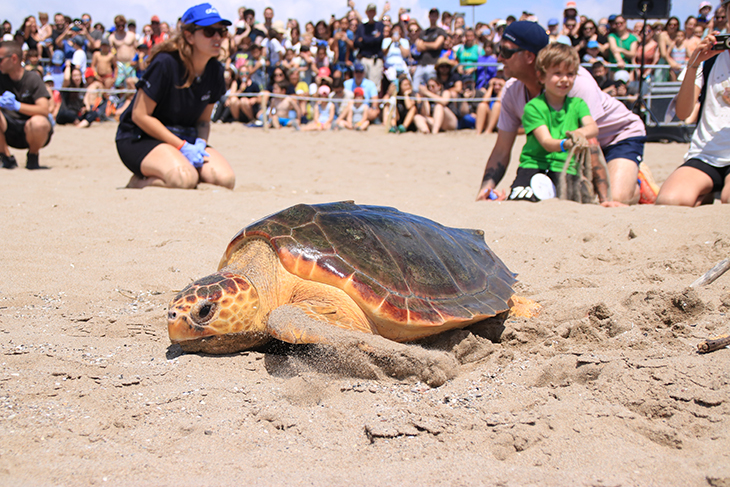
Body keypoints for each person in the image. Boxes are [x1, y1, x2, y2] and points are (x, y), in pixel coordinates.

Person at [475, 21, 649, 206]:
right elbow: (502, 149)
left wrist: (606, 198)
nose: (499, 57)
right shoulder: (512, 90)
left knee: (617, 198)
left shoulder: (573, 82)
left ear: (528, 56)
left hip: (617, 137)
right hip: (569, 147)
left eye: (506, 51)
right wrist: (485, 189)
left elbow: (590, 142)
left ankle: (638, 181)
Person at [115, 3, 235, 190]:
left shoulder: (215, 70)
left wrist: (200, 144)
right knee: (184, 179)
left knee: (224, 179)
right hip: (139, 137)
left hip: (184, 137)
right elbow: (139, 115)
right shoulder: (165, 63)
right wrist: (182, 147)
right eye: (209, 32)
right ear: (189, 36)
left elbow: (203, 122)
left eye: (222, 31)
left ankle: (172, 166)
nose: (218, 37)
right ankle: (138, 183)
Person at [656, 10, 730, 207]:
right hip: (706, 153)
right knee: (669, 201)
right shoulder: (711, 57)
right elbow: (682, 113)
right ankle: (705, 191)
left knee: (728, 199)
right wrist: (694, 64)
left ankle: (709, 192)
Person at [506, 43, 598, 202]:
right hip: (534, 166)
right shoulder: (534, 107)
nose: (564, 79)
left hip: (566, 168)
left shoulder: (578, 104)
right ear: (541, 76)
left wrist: (578, 134)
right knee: (521, 200)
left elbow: (593, 128)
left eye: (570, 74)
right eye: (557, 73)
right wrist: (567, 144)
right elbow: (547, 142)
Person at [0, 41, 52, 170]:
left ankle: (33, 156)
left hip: (31, 130)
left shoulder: (32, 79)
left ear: (14, 59)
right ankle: (6, 157)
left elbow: (44, 110)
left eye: (0, 59)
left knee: (39, 122)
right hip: (7, 128)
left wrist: (17, 106)